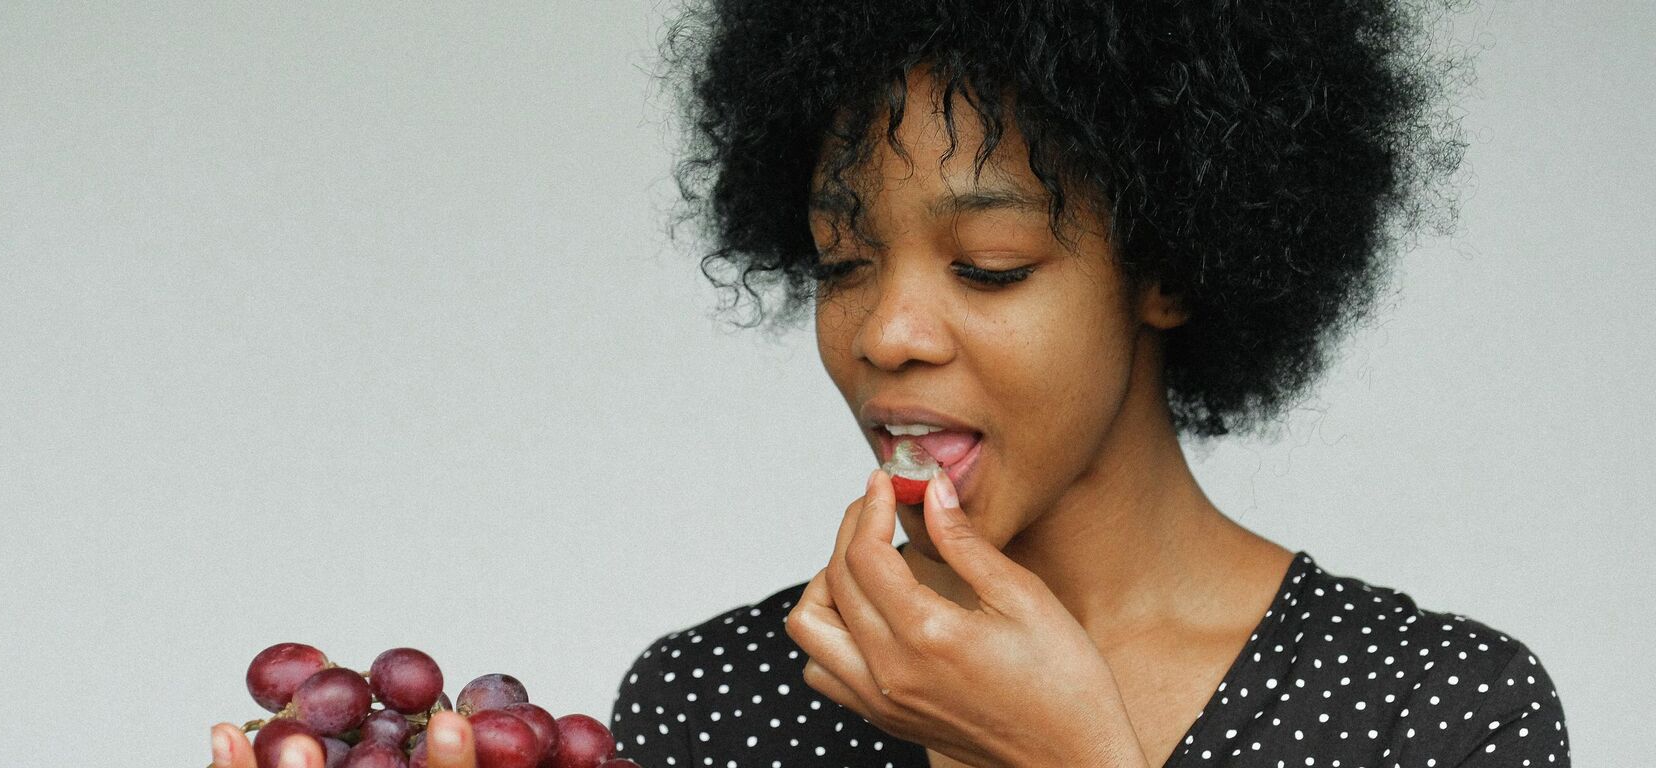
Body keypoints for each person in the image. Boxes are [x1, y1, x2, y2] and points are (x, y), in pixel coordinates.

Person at [206, 1, 1571, 766]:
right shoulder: (713, 707)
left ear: (1169, 267)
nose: (887, 333)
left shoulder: (1436, 712)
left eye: (986, 265)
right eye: (844, 260)